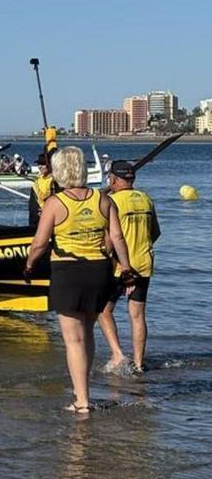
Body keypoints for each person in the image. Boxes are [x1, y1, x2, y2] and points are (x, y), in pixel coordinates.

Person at [24, 146, 135, 414]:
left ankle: (81, 400)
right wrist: (127, 267)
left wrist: (29, 265)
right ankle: (84, 392)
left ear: (60, 170)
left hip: (67, 272)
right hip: (99, 271)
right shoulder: (103, 200)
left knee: (73, 339)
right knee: (87, 333)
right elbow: (117, 238)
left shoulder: (55, 202)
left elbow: (39, 243)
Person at [98, 160, 161, 373]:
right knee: (137, 315)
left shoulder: (111, 201)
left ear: (113, 179)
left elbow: (108, 240)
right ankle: (139, 363)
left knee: (104, 310)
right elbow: (155, 233)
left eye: (110, 178)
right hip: (143, 263)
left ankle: (118, 355)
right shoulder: (145, 199)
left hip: (119, 266)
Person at [28, 153, 55, 227]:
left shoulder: (53, 181)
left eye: (42, 164)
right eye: (38, 164)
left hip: (45, 218)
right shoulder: (38, 179)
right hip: (34, 219)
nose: (39, 167)